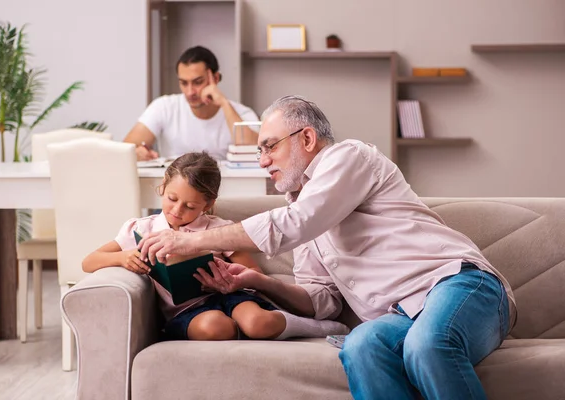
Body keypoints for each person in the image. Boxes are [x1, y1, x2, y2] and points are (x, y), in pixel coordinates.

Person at [137, 95, 517, 399]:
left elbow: (299, 223)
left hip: (459, 285)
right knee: (360, 346)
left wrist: (187, 239)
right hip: (401, 314)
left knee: (426, 345)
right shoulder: (301, 211)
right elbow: (323, 300)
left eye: (269, 146)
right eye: (259, 152)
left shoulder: (348, 158)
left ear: (306, 138)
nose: (263, 161)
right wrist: (258, 281)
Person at [82, 151, 348, 341]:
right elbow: (89, 261)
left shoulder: (219, 229)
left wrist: (225, 275)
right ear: (162, 188)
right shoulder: (141, 229)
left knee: (258, 322)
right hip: (185, 310)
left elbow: (252, 270)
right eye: (172, 198)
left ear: (207, 205)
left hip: (231, 296)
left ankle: (321, 328)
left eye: (190, 206)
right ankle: (241, 330)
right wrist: (123, 257)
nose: (177, 210)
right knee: (215, 329)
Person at [124, 46, 260, 161]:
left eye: (198, 82)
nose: (190, 92)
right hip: (175, 188)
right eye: (184, 83)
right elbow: (126, 148)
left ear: (216, 78)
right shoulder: (164, 107)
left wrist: (224, 103)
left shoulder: (241, 113)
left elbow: (252, 150)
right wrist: (138, 152)